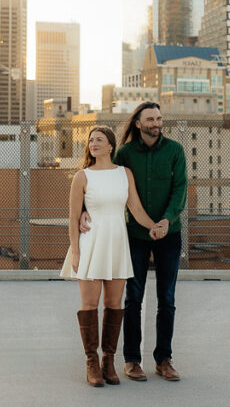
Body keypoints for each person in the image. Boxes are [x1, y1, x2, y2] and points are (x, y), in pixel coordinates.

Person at [81, 101, 186, 382]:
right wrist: (82, 211)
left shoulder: (175, 150)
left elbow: (180, 189)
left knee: (167, 298)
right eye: (150, 118)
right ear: (138, 124)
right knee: (133, 298)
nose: (156, 123)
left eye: (159, 118)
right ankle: (131, 360)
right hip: (135, 236)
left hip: (169, 233)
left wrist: (166, 220)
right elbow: (103, 182)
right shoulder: (125, 154)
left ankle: (164, 359)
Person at [60, 126, 166, 388]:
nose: (94, 144)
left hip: (117, 244)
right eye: (91, 140)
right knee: (89, 305)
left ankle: (109, 361)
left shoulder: (124, 174)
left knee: (114, 304)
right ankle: (91, 363)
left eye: (99, 140)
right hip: (91, 244)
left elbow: (136, 208)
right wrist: (75, 251)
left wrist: (155, 226)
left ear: (110, 146)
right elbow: (74, 217)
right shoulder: (81, 177)